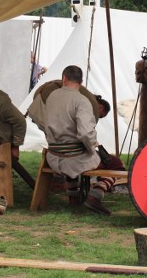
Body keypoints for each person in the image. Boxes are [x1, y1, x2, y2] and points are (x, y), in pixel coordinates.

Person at [44, 65, 125, 216]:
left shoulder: (51, 97)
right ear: (81, 82)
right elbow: (85, 134)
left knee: (73, 154)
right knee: (116, 164)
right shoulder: (82, 101)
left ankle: (73, 199)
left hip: (53, 156)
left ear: (64, 79)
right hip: (74, 159)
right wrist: (91, 150)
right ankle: (96, 195)